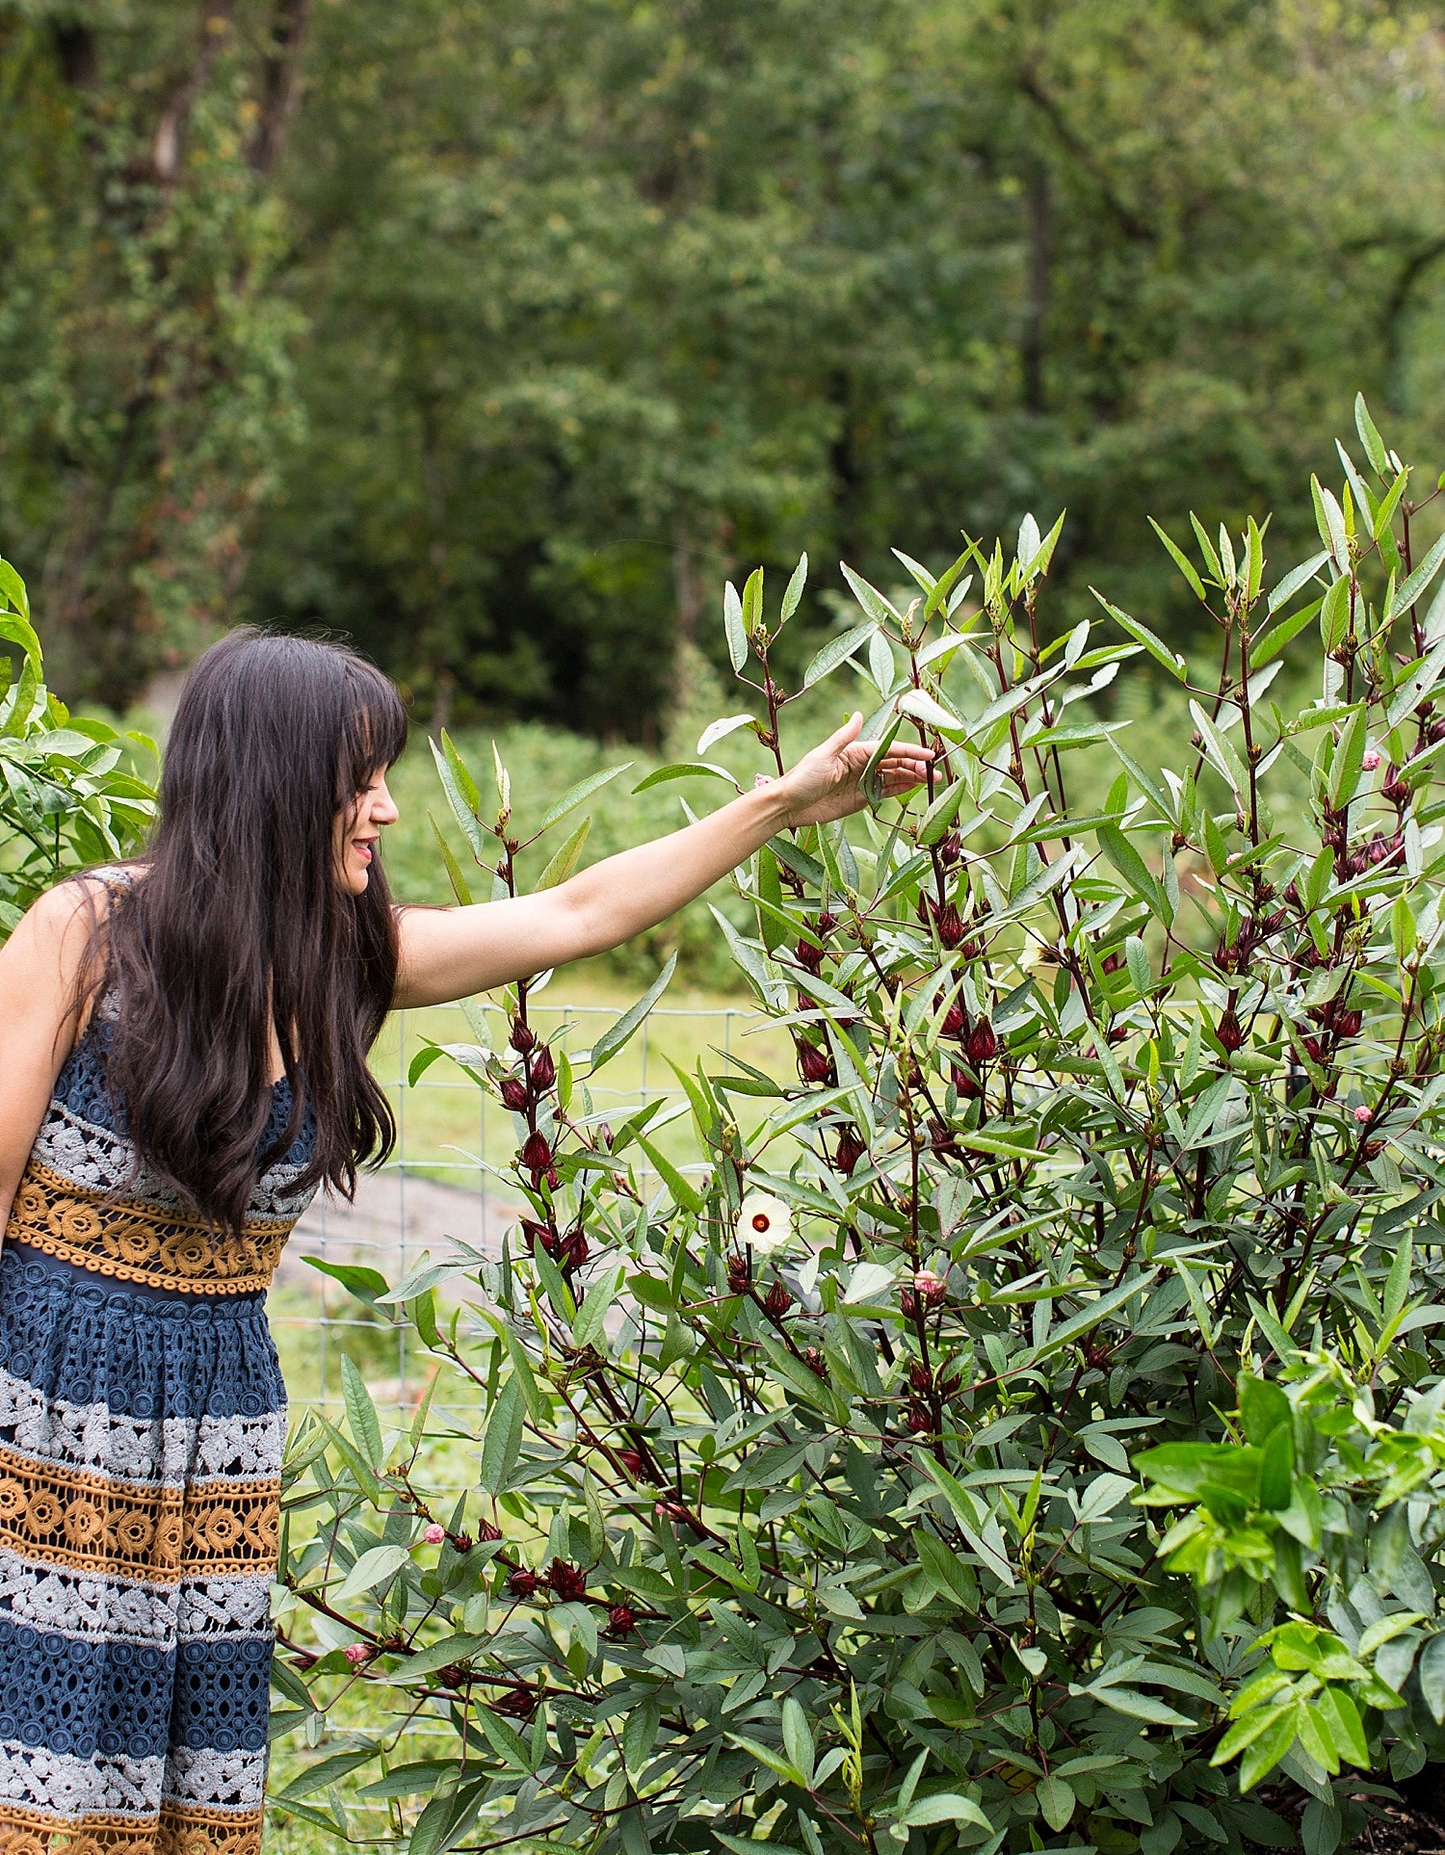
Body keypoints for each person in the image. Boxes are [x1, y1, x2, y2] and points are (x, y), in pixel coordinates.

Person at [0, 627, 930, 1855]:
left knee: (175, 1779)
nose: (385, 806)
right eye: (360, 777)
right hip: (51, 1393)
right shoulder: (85, 931)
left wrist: (780, 801)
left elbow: (581, 909)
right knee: (43, 1760)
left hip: (219, 1408)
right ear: (273, 783)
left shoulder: (341, 956)